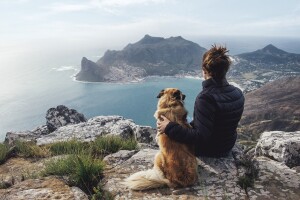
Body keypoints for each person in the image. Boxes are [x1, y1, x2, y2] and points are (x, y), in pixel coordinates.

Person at [157, 45, 245, 157]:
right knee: (187, 120)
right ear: (225, 70)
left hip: (209, 151)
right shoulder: (237, 92)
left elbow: (200, 137)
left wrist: (169, 127)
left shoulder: (205, 98)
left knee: (168, 133)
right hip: (227, 146)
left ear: (204, 70)